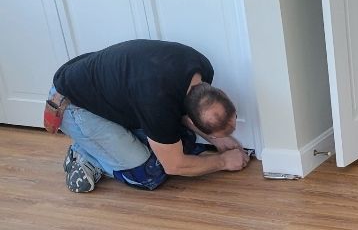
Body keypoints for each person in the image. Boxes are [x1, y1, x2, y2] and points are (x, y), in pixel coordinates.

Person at [46, 39, 250, 193]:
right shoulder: (156, 101)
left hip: (103, 91)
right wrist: (222, 161)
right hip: (73, 105)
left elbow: (181, 113)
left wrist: (218, 137)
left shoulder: (201, 68)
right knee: (150, 173)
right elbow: (174, 165)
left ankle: (102, 147)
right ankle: (86, 154)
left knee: (182, 140)